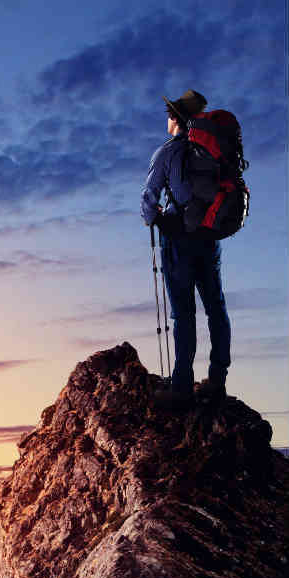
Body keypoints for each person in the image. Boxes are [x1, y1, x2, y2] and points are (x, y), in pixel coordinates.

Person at [141, 90, 245, 407]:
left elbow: (148, 199)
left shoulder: (167, 153)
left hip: (179, 240)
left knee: (183, 314)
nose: (167, 119)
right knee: (216, 307)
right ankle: (217, 380)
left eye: (170, 114)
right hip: (210, 237)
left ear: (176, 119)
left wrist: (154, 219)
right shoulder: (215, 152)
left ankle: (182, 388)